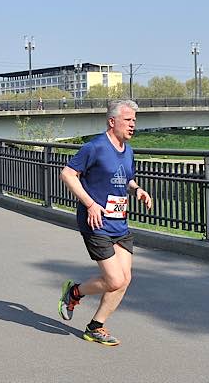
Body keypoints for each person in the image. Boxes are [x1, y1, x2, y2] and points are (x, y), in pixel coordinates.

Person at [57, 99, 153, 346]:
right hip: (96, 222)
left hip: (119, 223)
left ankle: (95, 327)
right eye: (128, 120)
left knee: (125, 279)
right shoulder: (95, 147)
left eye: (134, 121)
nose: (133, 125)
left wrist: (137, 190)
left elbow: (126, 179)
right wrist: (90, 203)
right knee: (114, 280)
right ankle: (74, 292)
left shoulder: (128, 150)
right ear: (112, 122)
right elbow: (67, 174)